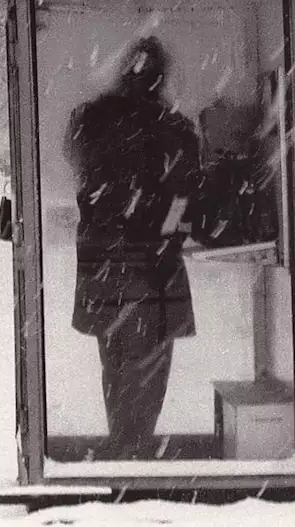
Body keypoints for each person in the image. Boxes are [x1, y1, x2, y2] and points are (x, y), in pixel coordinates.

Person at [64, 36, 201, 461]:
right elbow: (185, 194)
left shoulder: (90, 118)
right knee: (151, 368)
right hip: (153, 265)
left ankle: (123, 443)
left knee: (115, 361)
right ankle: (137, 448)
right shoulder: (174, 127)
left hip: (105, 261)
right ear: (160, 78)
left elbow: (77, 165)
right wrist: (162, 232)